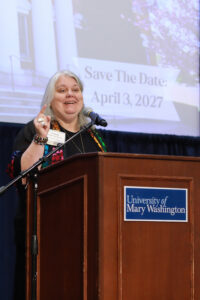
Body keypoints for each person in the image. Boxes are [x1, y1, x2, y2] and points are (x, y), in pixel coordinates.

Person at [7, 70, 107, 300]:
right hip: (47, 233)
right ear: (50, 99)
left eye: (75, 89)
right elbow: (23, 175)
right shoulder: (37, 130)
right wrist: (41, 138)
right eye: (62, 91)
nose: (70, 95)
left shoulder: (94, 136)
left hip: (90, 235)